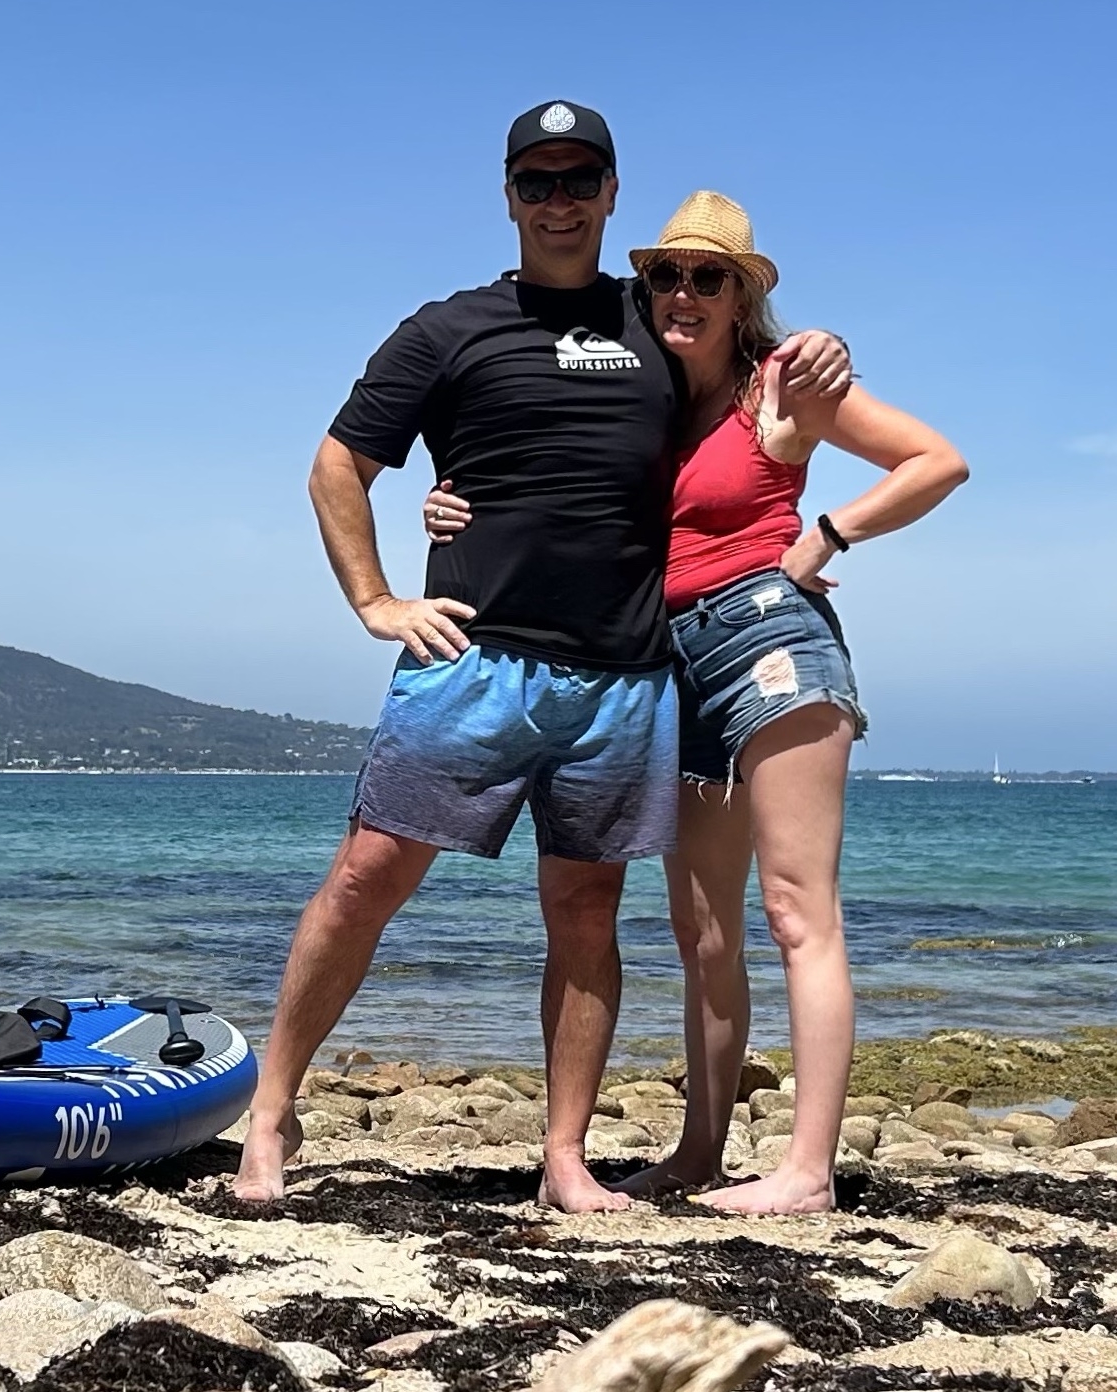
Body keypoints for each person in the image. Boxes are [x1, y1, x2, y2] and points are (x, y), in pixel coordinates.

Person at [232, 105, 849, 1211]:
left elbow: (747, 366)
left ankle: (565, 1156)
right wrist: (376, 599)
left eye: (579, 179)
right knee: (368, 876)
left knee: (585, 909)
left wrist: (825, 357)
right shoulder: (449, 328)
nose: (558, 201)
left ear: (612, 192)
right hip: (473, 657)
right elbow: (337, 467)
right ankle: (272, 1111)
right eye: (537, 181)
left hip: (624, 675)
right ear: (509, 195)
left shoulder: (655, 317)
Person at [424, 190, 968, 1213]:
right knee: (703, 929)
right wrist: (453, 502)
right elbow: (550, 487)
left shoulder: (785, 383)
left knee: (797, 908)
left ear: (740, 296)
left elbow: (937, 460)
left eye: (708, 276)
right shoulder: (638, 394)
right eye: (667, 274)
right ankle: (701, 1151)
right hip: (667, 660)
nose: (684, 292)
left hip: (769, 642)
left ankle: (808, 1171)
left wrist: (829, 534)